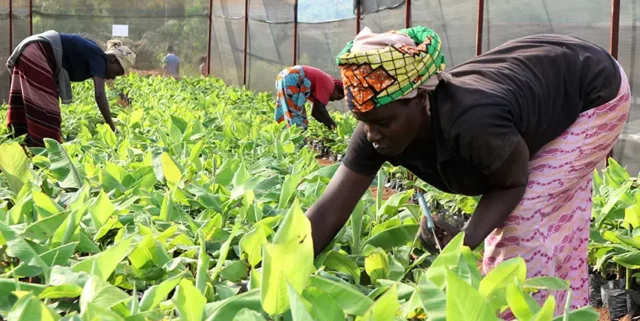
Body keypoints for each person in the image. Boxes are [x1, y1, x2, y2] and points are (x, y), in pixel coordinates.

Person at [305, 26, 629, 317]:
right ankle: (569, 312)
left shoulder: (472, 122)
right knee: (556, 221)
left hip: (593, 88)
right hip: (546, 84)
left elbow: (511, 184)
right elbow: (330, 211)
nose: (372, 135)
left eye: (383, 123)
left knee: (522, 221)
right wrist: (268, 269)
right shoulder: (376, 128)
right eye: (364, 123)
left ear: (419, 100)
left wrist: (463, 242)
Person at [6, 31, 136, 147]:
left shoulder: (97, 56)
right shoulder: (99, 58)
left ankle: (20, 149)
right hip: (38, 53)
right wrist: (111, 126)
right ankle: (44, 157)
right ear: (112, 59)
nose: (113, 77)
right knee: (48, 114)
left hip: (32, 50)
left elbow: (107, 87)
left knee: (27, 107)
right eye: (116, 73)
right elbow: (100, 95)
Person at [274, 65, 345, 130]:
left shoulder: (327, 80)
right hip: (293, 78)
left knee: (284, 111)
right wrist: (333, 126)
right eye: (337, 98)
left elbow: (315, 112)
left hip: (284, 75)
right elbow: (318, 111)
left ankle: (282, 134)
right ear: (337, 90)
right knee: (296, 115)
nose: (333, 100)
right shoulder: (330, 85)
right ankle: (298, 141)